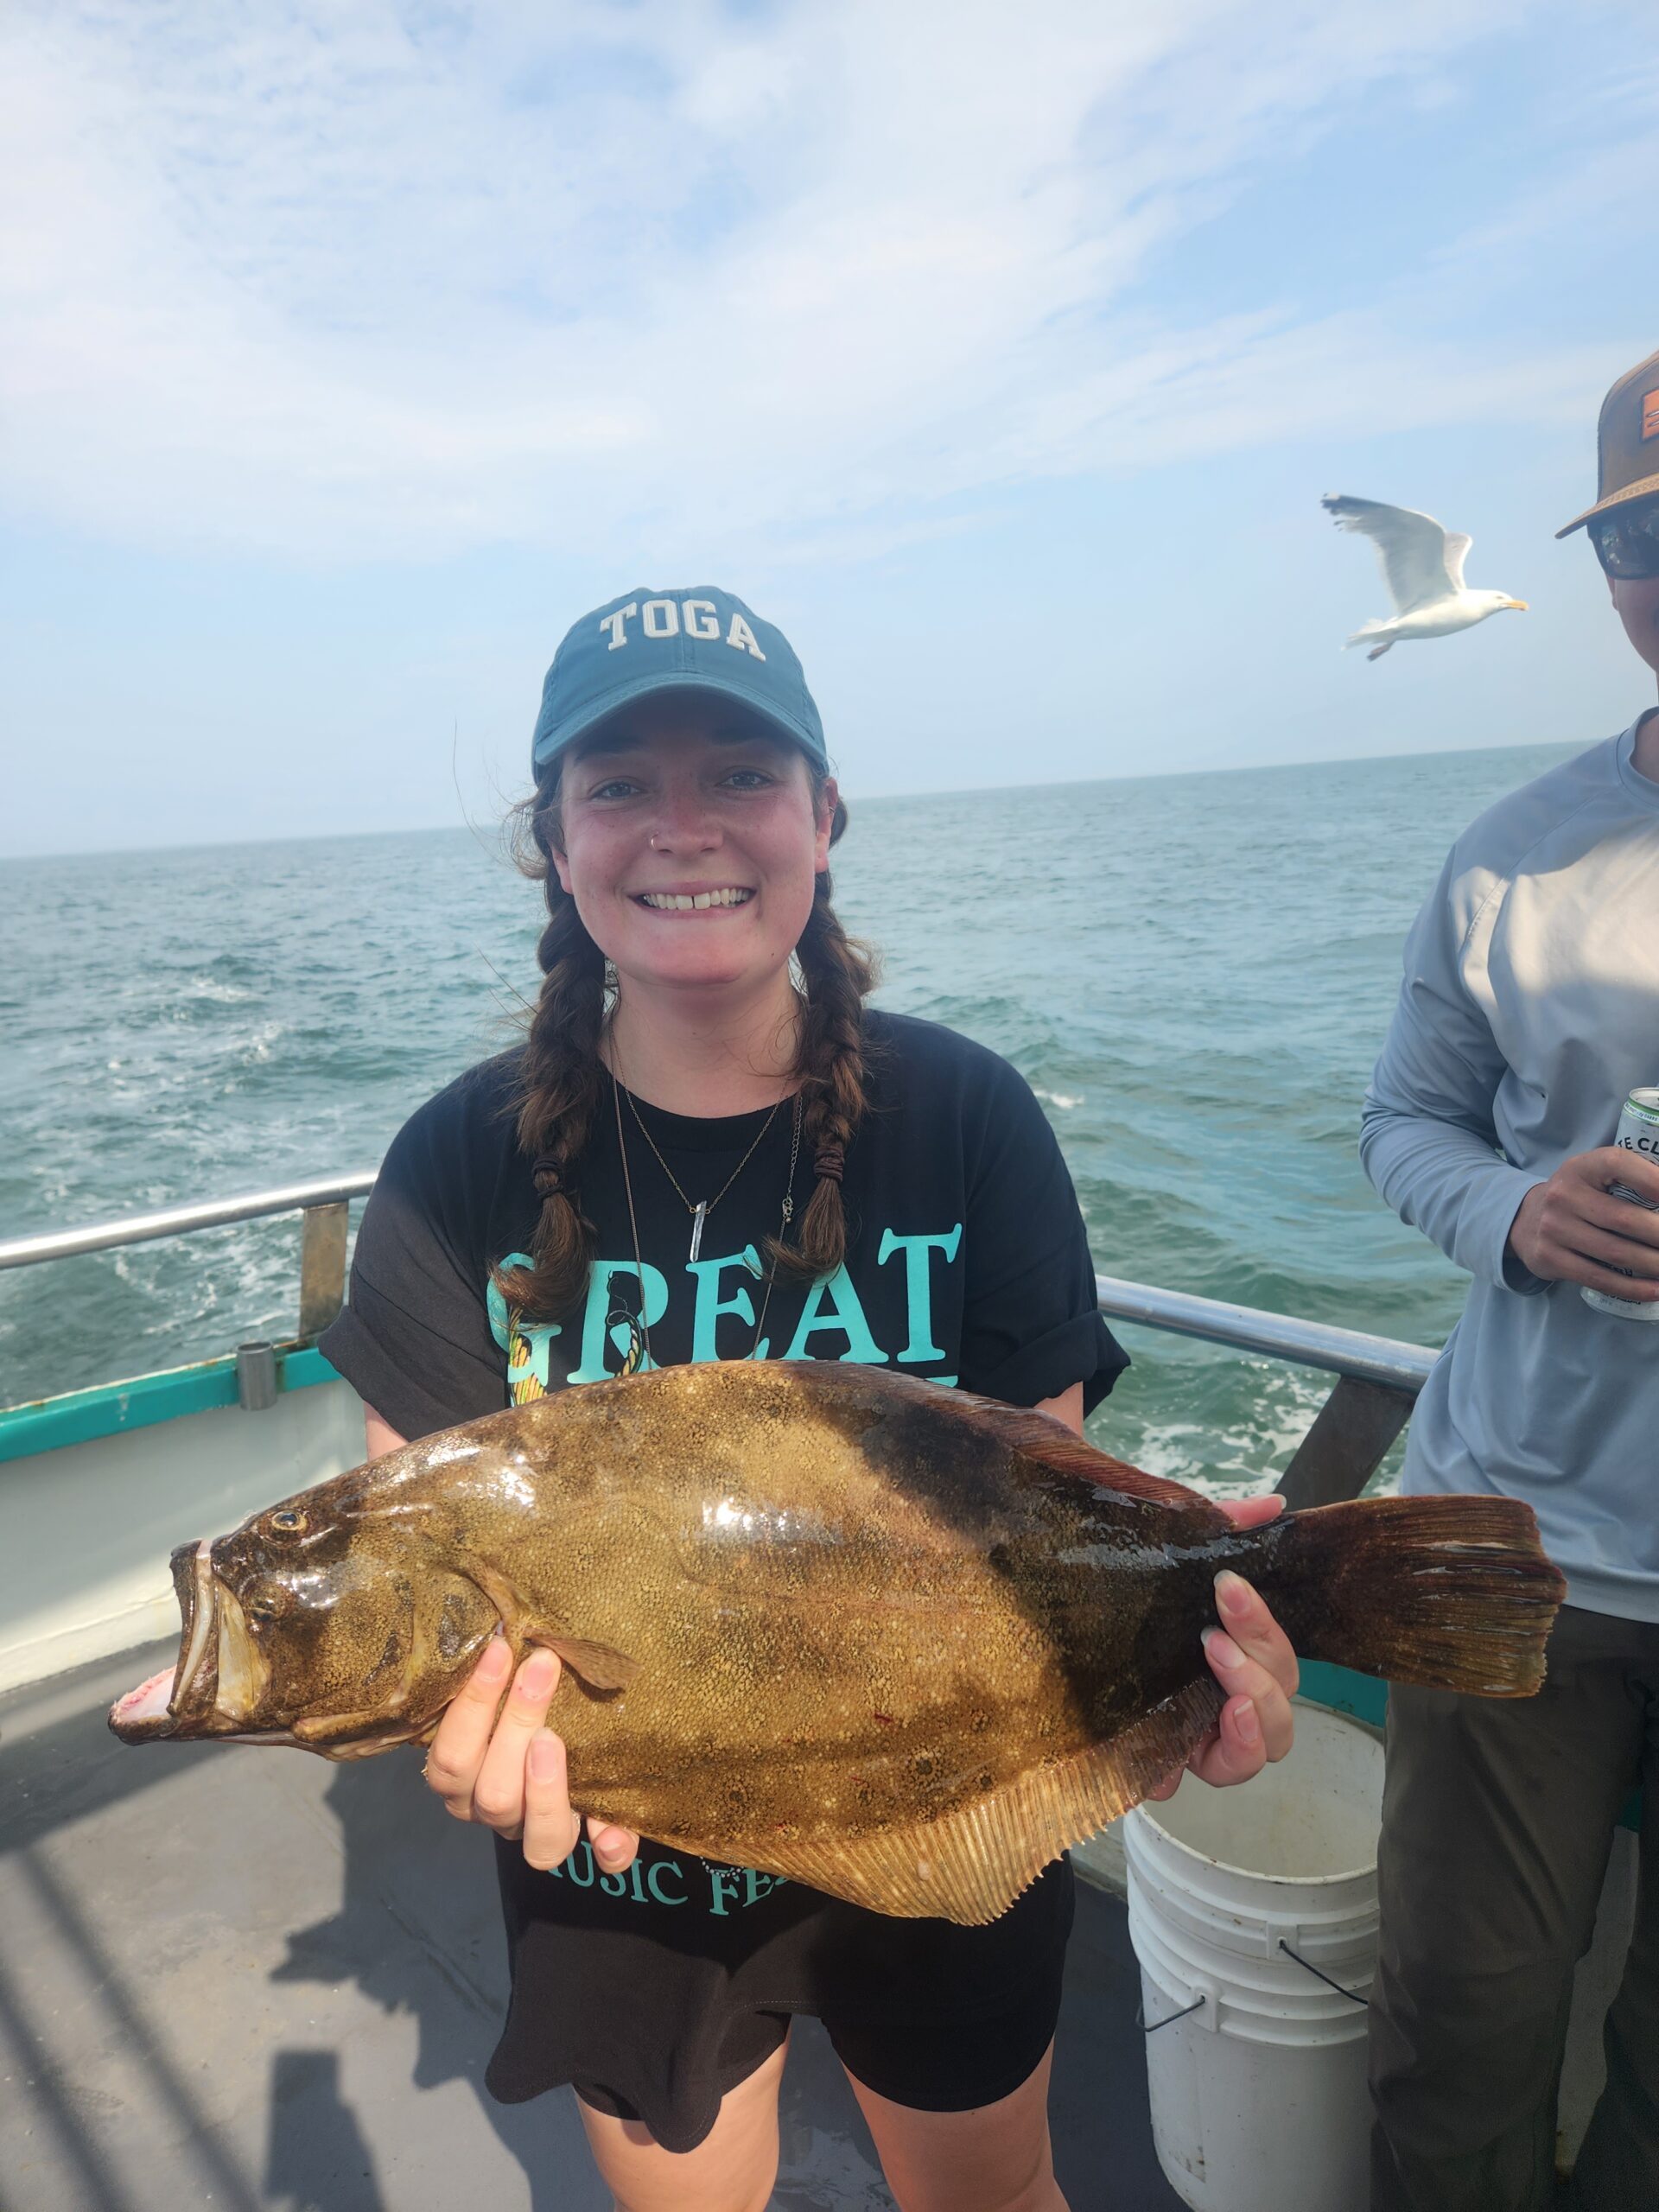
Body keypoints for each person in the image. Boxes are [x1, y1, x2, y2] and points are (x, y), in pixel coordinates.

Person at [320, 586, 1300, 2212]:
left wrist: (1180, 1666)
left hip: (947, 1804)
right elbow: (426, 1567)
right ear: (552, 842)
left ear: (825, 820)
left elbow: (1049, 1518)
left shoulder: (969, 1117)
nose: (680, 827)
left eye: (743, 776)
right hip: (614, 1850)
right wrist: (452, 1722)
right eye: (617, 783)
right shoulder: (452, 1166)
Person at [1361, 347, 1659, 2211]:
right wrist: (1515, 1214)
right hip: (1517, 1541)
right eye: (1648, 529)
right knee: (1458, 2024)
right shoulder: (1506, 860)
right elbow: (1406, 1123)